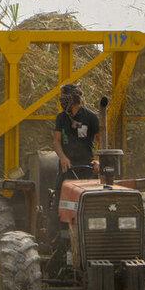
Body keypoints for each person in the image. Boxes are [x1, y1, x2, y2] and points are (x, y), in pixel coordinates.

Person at [50, 84, 100, 235]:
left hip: (87, 168)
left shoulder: (91, 117)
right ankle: (59, 236)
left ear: (74, 99)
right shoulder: (61, 118)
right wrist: (63, 158)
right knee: (59, 202)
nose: (62, 102)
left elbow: (100, 141)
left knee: (89, 204)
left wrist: (98, 160)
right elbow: (57, 141)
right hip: (67, 168)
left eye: (65, 99)